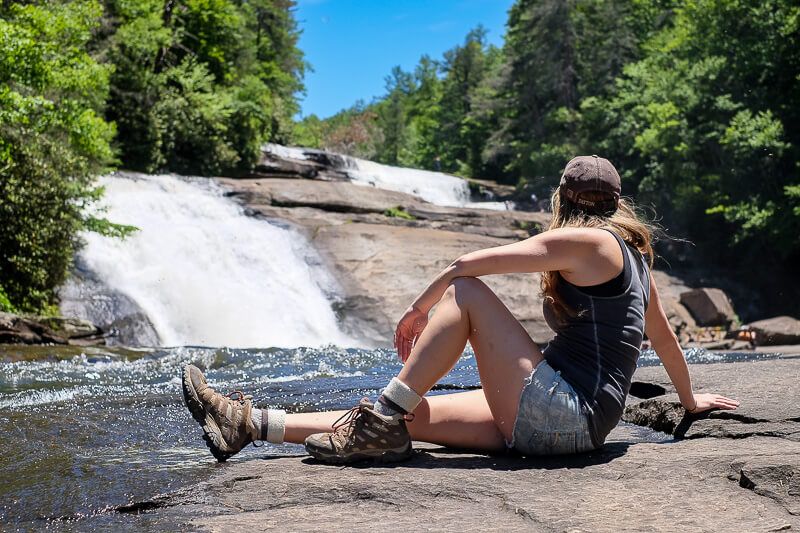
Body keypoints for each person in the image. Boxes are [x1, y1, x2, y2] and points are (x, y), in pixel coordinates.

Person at [181, 155, 739, 464]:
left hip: (564, 412)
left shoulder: (589, 242)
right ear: (619, 202)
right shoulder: (635, 253)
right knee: (407, 417)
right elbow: (663, 336)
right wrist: (689, 400)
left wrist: (417, 309)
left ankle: (381, 421)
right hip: (575, 421)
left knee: (468, 297)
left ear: (562, 200)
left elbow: (466, 267)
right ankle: (248, 425)